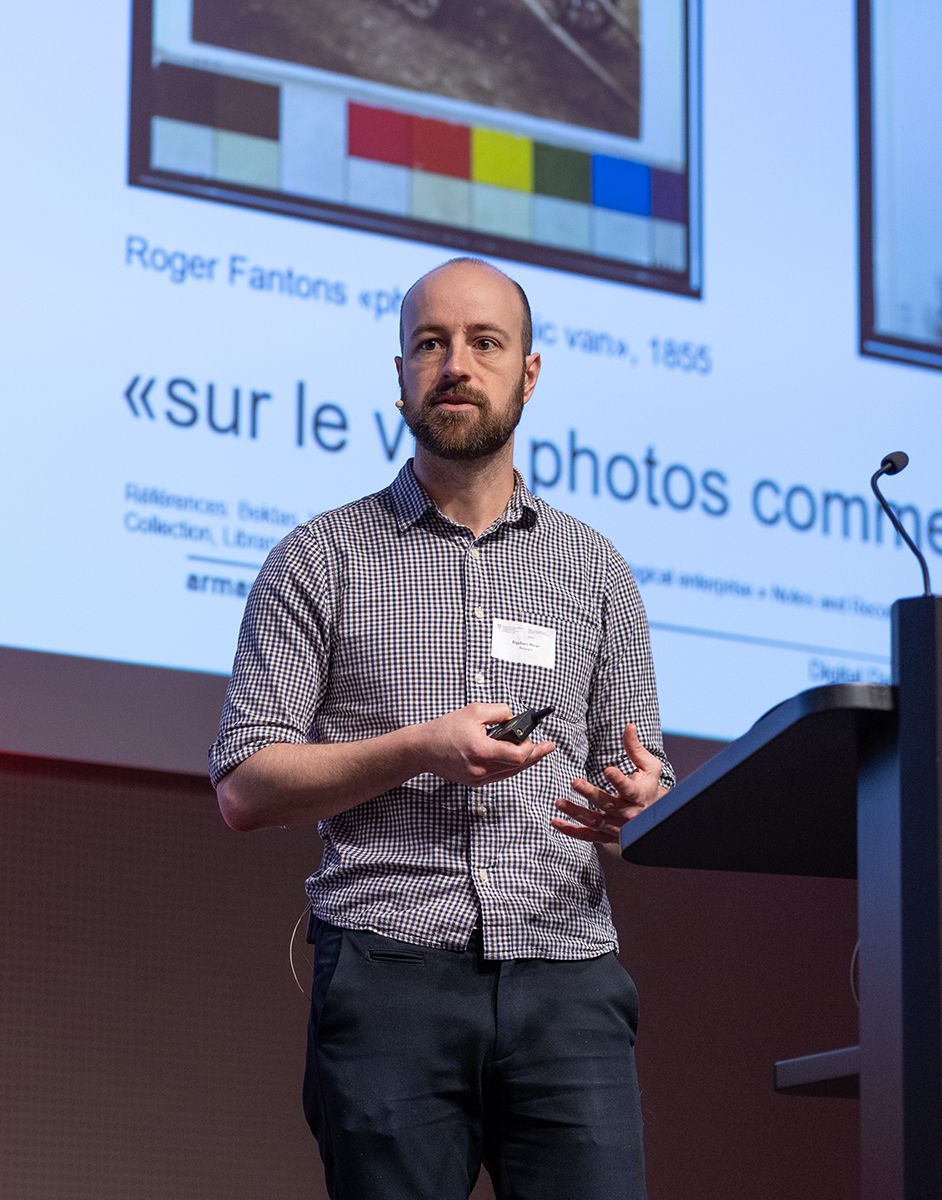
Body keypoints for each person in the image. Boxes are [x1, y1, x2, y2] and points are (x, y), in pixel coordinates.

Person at [209, 257, 672, 1199]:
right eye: (431, 343)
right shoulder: (318, 559)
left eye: (484, 343)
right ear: (401, 375)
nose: (456, 364)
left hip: (568, 978)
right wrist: (421, 747)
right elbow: (245, 786)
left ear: (528, 374)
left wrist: (642, 807)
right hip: (388, 971)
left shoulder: (597, 572)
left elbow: (643, 779)